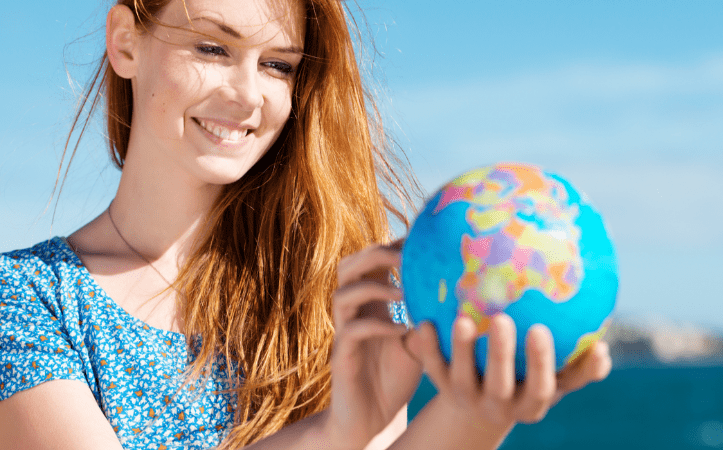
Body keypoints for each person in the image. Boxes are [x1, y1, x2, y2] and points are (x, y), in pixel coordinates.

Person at [0, 0, 613, 449]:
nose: (247, 95)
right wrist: (333, 434)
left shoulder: (338, 288)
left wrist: (479, 415)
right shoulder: (25, 300)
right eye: (213, 48)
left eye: (278, 66)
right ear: (126, 41)